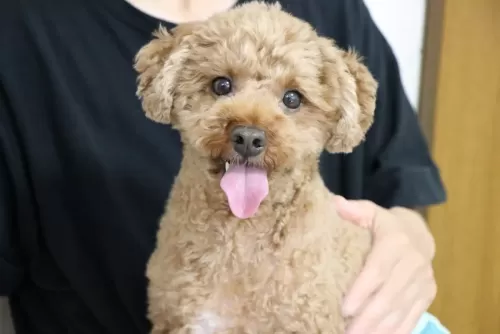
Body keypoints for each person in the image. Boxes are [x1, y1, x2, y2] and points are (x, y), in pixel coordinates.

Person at [0, 0, 446, 333]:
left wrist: (409, 240)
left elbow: (402, 191)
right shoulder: (19, 31)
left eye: (291, 100)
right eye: (221, 85)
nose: (250, 128)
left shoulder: (334, 9)